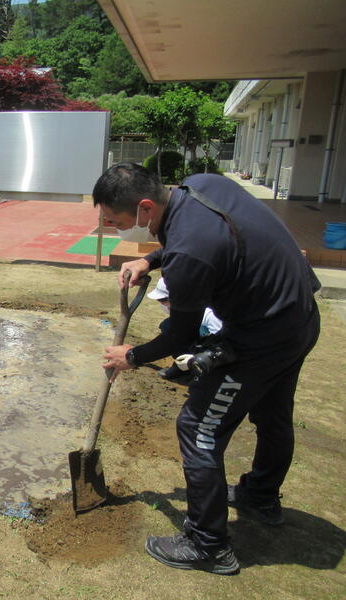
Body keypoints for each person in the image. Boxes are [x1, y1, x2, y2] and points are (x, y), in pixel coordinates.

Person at [95, 163, 320, 575]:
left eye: (117, 221)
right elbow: (200, 240)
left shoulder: (189, 254)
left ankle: (208, 546)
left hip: (263, 337)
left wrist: (132, 356)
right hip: (300, 315)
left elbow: (180, 337)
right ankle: (260, 496)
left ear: (145, 208)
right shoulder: (200, 185)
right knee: (272, 414)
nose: (114, 228)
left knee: (198, 427)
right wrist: (151, 260)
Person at [148, 277, 222, 382]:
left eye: (164, 300)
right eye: (160, 300)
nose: (162, 304)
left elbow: (223, 342)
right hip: (198, 337)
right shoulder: (181, 305)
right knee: (167, 326)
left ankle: (204, 370)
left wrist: (198, 356)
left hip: (216, 349)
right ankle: (182, 367)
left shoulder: (209, 313)